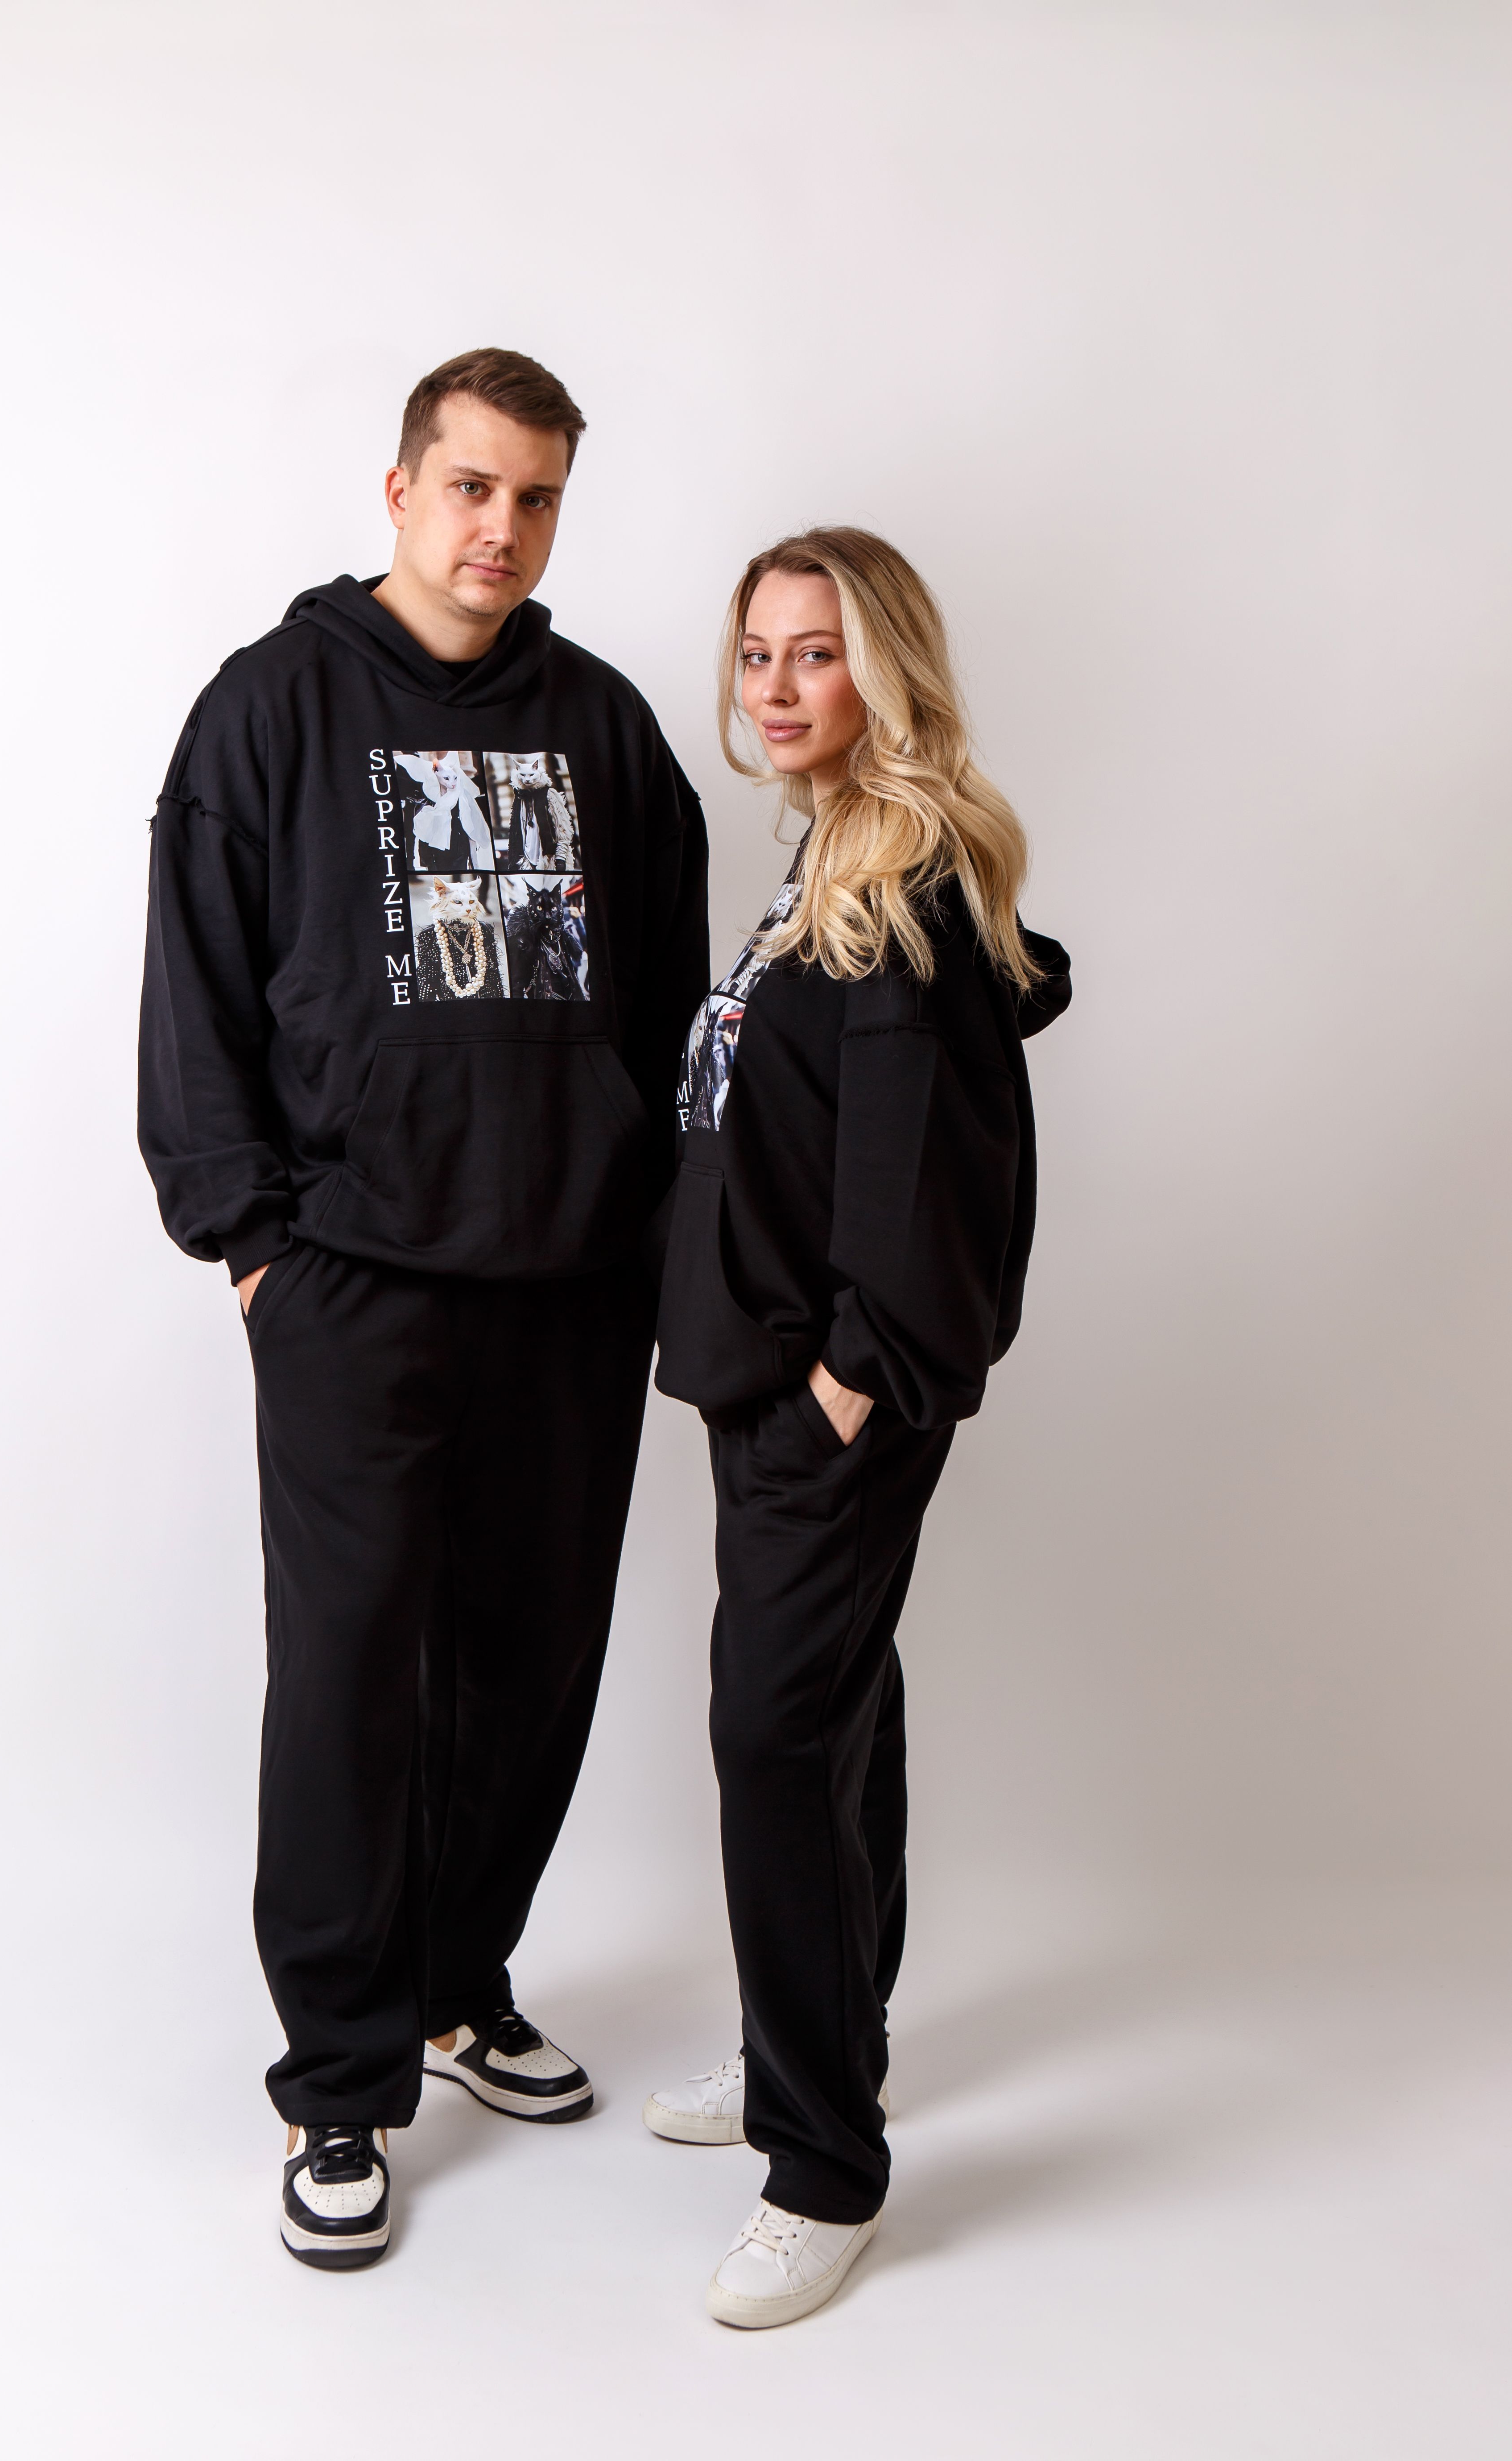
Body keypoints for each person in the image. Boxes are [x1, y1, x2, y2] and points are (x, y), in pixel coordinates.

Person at [137, 348, 709, 2270]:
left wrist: (646, 1233)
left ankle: (461, 1985)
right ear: (399, 490)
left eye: (537, 498)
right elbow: (195, 991)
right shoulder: (272, 707)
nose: (502, 530)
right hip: (355, 1287)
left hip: (567, 1287)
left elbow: (670, 1010)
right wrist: (254, 1250)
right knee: (350, 1678)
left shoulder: (604, 726)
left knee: (530, 1664)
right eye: (471, 487)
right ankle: (339, 2078)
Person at [646, 527, 1071, 2328]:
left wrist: (847, 1381)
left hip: (832, 1397)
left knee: (773, 1730)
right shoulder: (828, 857)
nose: (774, 685)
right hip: (769, 1380)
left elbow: (931, 1178)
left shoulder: (901, 883)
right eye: (756, 654)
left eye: (813, 654)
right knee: (832, 1711)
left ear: (881, 671)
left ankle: (822, 2169)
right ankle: (812, 2038)